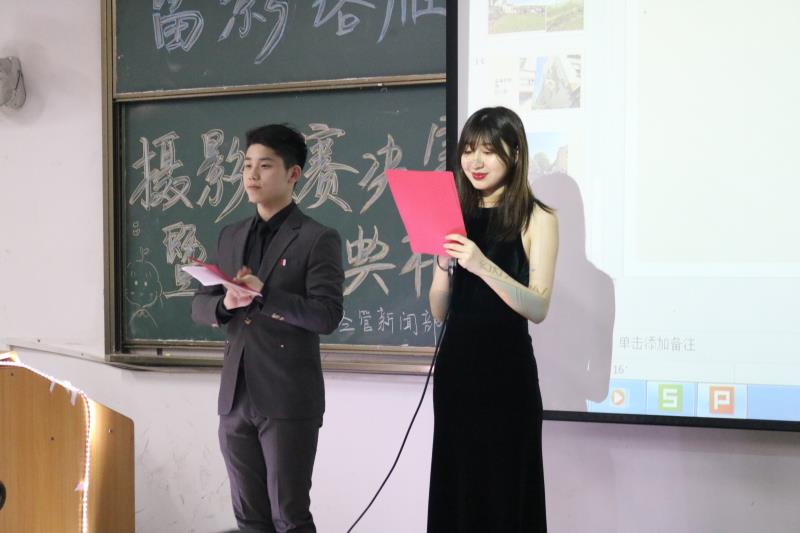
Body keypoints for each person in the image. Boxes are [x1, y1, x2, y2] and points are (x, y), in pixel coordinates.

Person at [192, 124, 344, 533]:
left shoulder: (317, 238)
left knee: (289, 517)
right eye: (246, 166)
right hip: (235, 396)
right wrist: (225, 304)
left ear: (293, 174)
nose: (252, 176)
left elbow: (327, 316)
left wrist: (265, 296)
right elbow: (199, 305)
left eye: (265, 166)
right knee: (248, 519)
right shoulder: (231, 235)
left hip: (287, 397)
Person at [427, 106, 559, 532]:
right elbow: (439, 310)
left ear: (515, 154)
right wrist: (443, 265)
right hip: (456, 372)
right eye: (468, 151)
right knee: (458, 487)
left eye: (488, 150)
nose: (475, 162)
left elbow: (538, 307)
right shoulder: (453, 215)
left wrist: (481, 264)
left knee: (506, 491)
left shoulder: (537, 217)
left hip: (507, 376)